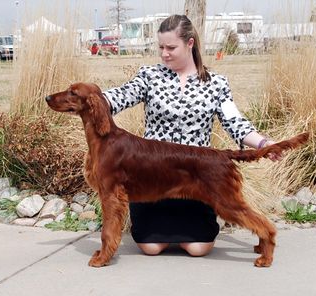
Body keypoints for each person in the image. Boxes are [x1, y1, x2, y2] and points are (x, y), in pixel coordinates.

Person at [103, 14, 280, 257]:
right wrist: (86, 97)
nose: (164, 53)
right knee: (151, 248)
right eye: (161, 47)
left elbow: (235, 123)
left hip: (195, 176)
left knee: (199, 248)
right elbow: (118, 96)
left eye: (171, 47)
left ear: (190, 43)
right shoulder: (149, 76)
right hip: (153, 176)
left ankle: (263, 233)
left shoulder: (216, 83)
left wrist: (264, 144)